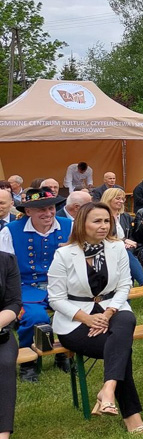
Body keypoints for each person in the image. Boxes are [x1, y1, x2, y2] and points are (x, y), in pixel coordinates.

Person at [47, 202, 143, 432]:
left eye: (106, 221)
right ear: (82, 223)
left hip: (112, 308)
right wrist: (88, 318)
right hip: (75, 321)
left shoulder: (116, 248)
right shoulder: (64, 254)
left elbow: (124, 285)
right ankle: (130, 414)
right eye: (97, 221)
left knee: (126, 320)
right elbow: (55, 298)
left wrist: (109, 312)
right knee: (122, 349)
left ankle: (108, 389)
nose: (103, 226)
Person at [0, 187, 72, 382]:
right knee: (35, 317)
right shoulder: (10, 231)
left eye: (51, 208)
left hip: (62, 285)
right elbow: (4, 267)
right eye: (41, 209)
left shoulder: (69, 225)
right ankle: (27, 363)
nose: (48, 213)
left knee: (72, 312)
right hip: (25, 286)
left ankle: (63, 354)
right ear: (28, 211)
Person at [102, 188, 143, 287]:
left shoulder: (125, 216)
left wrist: (129, 242)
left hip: (126, 249)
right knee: (125, 254)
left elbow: (131, 234)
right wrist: (123, 241)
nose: (121, 201)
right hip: (107, 248)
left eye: (123, 199)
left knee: (126, 257)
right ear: (109, 198)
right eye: (118, 198)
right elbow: (105, 235)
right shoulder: (103, 216)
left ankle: (130, 292)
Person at [0, 249, 21, 437]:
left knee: (4, 363)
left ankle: (3, 434)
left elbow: (14, 303)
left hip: (0, 330)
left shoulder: (6, 260)